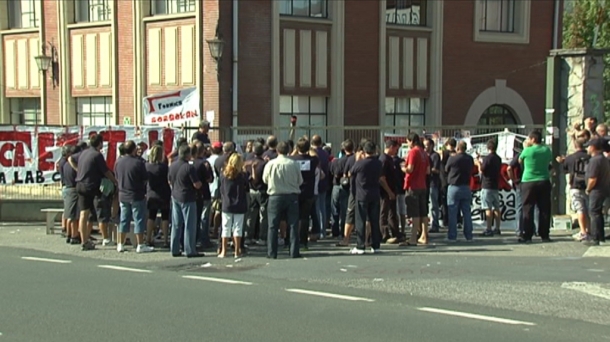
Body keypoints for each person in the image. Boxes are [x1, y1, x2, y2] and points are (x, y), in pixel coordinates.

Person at [69, 134, 117, 251]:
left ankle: (84, 241)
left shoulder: (84, 152)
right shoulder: (97, 155)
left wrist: (78, 170)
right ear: (100, 143)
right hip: (91, 186)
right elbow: (106, 171)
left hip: (79, 184)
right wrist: (115, 182)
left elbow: (70, 158)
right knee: (101, 208)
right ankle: (105, 236)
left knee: (83, 214)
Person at [263, 141, 303, 259]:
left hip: (275, 195)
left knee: (272, 225)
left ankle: (272, 252)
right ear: (289, 151)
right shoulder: (294, 164)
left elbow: (265, 179)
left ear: (277, 151)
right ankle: (294, 251)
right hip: (292, 196)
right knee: (293, 224)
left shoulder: (270, 164)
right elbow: (299, 181)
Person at [114, 141, 152, 253]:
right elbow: (145, 178)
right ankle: (140, 244)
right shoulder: (138, 163)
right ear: (133, 149)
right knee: (139, 219)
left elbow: (116, 176)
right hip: (136, 194)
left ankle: (120, 243)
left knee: (124, 219)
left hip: (123, 194)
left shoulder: (118, 162)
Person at [168, 144, 203, 258]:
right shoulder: (189, 167)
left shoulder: (172, 165)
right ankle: (190, 250)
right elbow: (196, 184)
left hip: (175, 195)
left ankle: (174, 248)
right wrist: (201, 184)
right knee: (189, 225)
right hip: (187, 197)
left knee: (176, 224)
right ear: (188, 154)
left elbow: (169, 180)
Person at [519, 130, 553, 243]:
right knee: (544, 208)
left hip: (528, 181)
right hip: (544, 180)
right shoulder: (547, 150)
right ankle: (544, 234)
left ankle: (527, 235)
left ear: (533, 139)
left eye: (529, 138)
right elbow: (549, 162)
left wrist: (525, 147)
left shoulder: (527, 151)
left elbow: (520, 160)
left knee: (528, 208)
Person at [349, 141, 383, 255]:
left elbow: (350, 173)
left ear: (364, 151)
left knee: (361, 221)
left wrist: (358, 159)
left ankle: (360, 245)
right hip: (375, 194)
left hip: (362, 194)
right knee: (374, 220)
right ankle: (375, 245)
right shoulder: (378, 163)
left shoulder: (361, 164)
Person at [558, 137, 590, 241]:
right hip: (589, 185)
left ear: (575, 146)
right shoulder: (590, 157)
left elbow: (565, 170)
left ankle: (583, 232)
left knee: (580, 209)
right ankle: (589, 230)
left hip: (575, 185)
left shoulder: (570, 158)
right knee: (589, 209)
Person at [290, 138, 319, 250]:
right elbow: (316, 156)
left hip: (295, 191)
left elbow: (290, 155)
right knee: (305, 217)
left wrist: (295, 150)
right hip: (308, 192)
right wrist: (310, 149)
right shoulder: (312, 161)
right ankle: (303, 242)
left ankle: (292, 241)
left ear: (297, 148)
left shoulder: (292, 160)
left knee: (293, 218)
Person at [402, 133, 430, 246]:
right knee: (423, 212)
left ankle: (413, 237)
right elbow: (428, 171)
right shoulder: (424, 153)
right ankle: (424, 235)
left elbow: (410, 169)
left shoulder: (413, 152)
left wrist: (402, 168)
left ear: (411, 141)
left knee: (414, 213)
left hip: (413, 185)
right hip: (422, 184)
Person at [219, 153, 249, 258]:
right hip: (240, 203)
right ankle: (237, 251)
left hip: (227, 203)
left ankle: (224, 251)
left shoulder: (223, 175)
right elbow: (247, 187)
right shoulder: (243, 175)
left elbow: (221, 189)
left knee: (225, 227)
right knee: (238, 228)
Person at [444, 141, 475, 242]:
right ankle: (469, 235)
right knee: (467, 212)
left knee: (452, 212)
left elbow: (446, 169)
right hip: (466, 186)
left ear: (457, 148)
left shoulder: (453, 158)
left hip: (454, 186)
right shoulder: (469, 158)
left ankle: (452, 236)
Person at [583, 138, 610, 246]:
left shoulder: (595, 160)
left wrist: (588, 188)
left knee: (594, 213)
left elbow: (593, 178)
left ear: (593, 147)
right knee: (598, 213)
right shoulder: (603, 159)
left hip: (596, 190)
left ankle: (595, 237)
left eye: (588, 146)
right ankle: (600, 236)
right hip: (604, 188)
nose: (587, 148)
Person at [145, 145, 171, 248]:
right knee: (165, 217)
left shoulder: (147, 166)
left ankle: (148, 238)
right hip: (164, 193)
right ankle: (165, 240)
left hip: (151, 193)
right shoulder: (164, 167)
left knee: (151, 216)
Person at [477, 139, 502, 236]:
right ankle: (497, 228)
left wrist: (479, 163)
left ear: (488, 148)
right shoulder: (498, 158)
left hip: (487, 185)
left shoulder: (487, 159)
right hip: (495, 185)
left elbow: (482, 170)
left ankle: (488, 228)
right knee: (496, 207)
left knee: (488, 208)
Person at [244, 142, 268, 245]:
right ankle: (262, 237)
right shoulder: (264, 164)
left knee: (251, 214)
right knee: (263, 215)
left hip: (251, 190)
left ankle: (249, 236)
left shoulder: (248, 163)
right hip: (262, 190)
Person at [191, 142, 214, 249]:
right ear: (203, 151)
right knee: (204, 218)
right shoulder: (204, 164)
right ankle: (204, 239)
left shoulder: (190, 163)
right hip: (204, 193)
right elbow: (210, 179)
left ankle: (194, 238)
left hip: (193, 195)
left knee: (194, 218)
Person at [379, 140, 401, 244]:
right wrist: (389, 191)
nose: (396, 151)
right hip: (385, 192)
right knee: (384, 213)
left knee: (392, 213)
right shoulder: (384, 159)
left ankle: (396, 233)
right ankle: (384, 234)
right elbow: (382, 178)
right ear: (391, 147)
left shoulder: (390, 159)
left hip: (392, 190)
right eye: (396, 149)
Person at [330, 140, 353, 239]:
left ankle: (335, 230)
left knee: (334, 209)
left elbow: (333, 172)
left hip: (336, 185)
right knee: (345, 210)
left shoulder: (337, 161)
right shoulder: (354, 160)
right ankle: (344, 231)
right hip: (347, 187)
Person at [311, 135, 330, 239]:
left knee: (317, 208)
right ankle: (323, 231)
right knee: (322, 208)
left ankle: (318, 230)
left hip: (315, 184)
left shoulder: (313, 154)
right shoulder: (325, 153)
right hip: (324, 183)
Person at [62, 144, 81, 244]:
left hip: (67, 189)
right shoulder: (74, 165)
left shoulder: (65, 164)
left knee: (69, 214)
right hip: (73, 190)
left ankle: (69, 234)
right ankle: (74, 235)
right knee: (74, 216)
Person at [424, 138, 441, 233]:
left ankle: (435, 225)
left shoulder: (435, 156)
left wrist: (427, 170)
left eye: (427, 145)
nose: (425, 147)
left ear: (431, 145)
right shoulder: (424, 155)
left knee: (433, 205)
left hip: (432, 183)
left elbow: (437, 170)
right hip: (424, 183)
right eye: (424, 145)